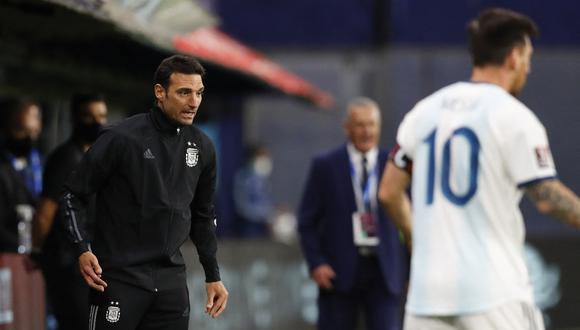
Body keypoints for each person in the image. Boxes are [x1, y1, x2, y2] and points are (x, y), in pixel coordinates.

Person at [379, 8, 580, 330]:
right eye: (528, 57)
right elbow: (546, 196)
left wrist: (418, 239)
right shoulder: (514, 117)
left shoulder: (424, 112)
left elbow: (389, 192)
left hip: (427, 297)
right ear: (514, 57)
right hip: (493, 294)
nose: (529, 67)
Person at [60, 55, 228, 329]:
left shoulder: (203, 147)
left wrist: (213, 275)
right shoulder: (121, 138)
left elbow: (203, 216)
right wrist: (82, 248)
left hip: (171, 285)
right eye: (184, 92)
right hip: (118, 280)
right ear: (160, 92)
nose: (194, 102)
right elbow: (72, 195)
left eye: (199, 93)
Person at [298, 97, 409, 330]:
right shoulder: (325, 166)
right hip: (339, 273)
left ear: (379, 127)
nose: (366, 131)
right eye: (359, 125)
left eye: (371, 124)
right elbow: (306, 221)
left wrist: (409, 266)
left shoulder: (394, 165)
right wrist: (316, 263)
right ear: (347, 127)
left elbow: (411, 219)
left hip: (385, 271)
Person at [34, 92, 108, 330]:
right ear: (75, 119)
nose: (97, 122)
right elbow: (46, 211)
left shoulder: (97, 157)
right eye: (89, 116)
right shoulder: (65, 159)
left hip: (93, 261)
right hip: (68, 264)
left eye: (101, 116)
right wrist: (36, 251)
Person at [0, 97, 45, 329]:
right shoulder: (4, 169)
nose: (29, 138)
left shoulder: (36, 165)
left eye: (34, 132)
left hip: (28, 266)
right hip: (7, 261)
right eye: (22, 131)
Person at [233, 144, 274, 237]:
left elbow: (265, 201)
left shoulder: (263, 179)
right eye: (262, 156)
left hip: (264, 225)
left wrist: (272, 213)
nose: (266, 159)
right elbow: (242, 206)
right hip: (250, 226)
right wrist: (263, 215)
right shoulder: (244, 177)